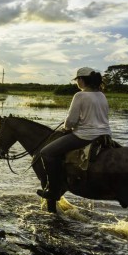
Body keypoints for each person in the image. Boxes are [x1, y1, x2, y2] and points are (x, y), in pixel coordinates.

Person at [36, 67, 111, 200]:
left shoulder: (80, 95)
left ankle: (53, 191)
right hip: (105, 135)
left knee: (46, 153)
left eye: (77, 79)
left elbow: (70, 121)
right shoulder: (101, 95)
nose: (77, 82)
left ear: (81, 80)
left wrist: (66, 127)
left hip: (84, 136)